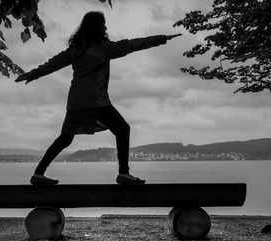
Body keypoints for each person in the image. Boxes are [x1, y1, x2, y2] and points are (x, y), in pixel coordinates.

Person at [15, 11, 181, 185]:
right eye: (103, 24)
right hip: (96, 101)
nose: (106, 27)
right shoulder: (104, 48)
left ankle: (38, 174)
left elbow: (52, 64)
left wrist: (32, 75)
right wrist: (162, 38)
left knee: (65, 138)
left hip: (76, 101)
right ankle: (123, 174)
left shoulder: (75, 50)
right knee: (122, 129)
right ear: (98, 27)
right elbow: (133, 45)